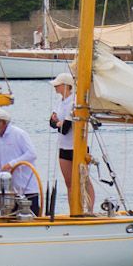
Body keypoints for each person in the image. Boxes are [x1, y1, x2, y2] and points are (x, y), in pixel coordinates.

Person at [49, 72, 95, 210]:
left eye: (57, 85)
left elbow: (66, 127)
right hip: (64, 147)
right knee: (69, 183)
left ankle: (90, 209)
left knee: (84, 181)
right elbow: (52, 122)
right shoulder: (60, 102)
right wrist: (58, 123)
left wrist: (59, 123)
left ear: (65, 85)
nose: (55, 87)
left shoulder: (75, 102)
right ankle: (73, 210)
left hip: (77, 147)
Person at [0, 107, 39, 215]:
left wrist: (12, 164)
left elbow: (32, 154)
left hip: (27, 189)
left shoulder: (19, 134)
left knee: (29, 219)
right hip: (8, 191)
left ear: (3, 123)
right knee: (9, 219)